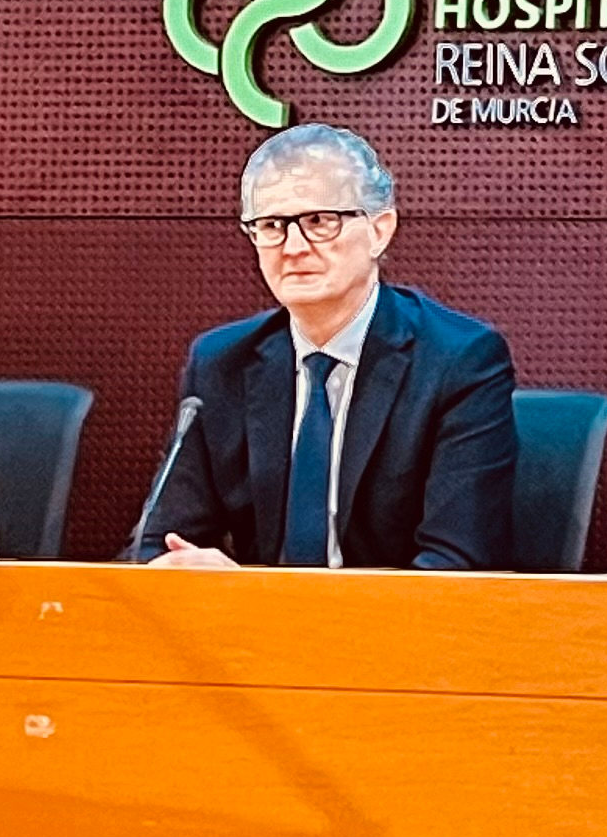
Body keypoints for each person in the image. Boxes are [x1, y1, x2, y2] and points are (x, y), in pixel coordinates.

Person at [136, 124, 517, 570]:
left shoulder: (459, 361)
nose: (293, 247)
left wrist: (273, 603)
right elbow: (157, 543)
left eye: (319, 221)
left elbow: (456, 564)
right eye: (272, 226)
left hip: (389, 616)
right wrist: (174, 569)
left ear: (380, 230)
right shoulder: (221, 363)